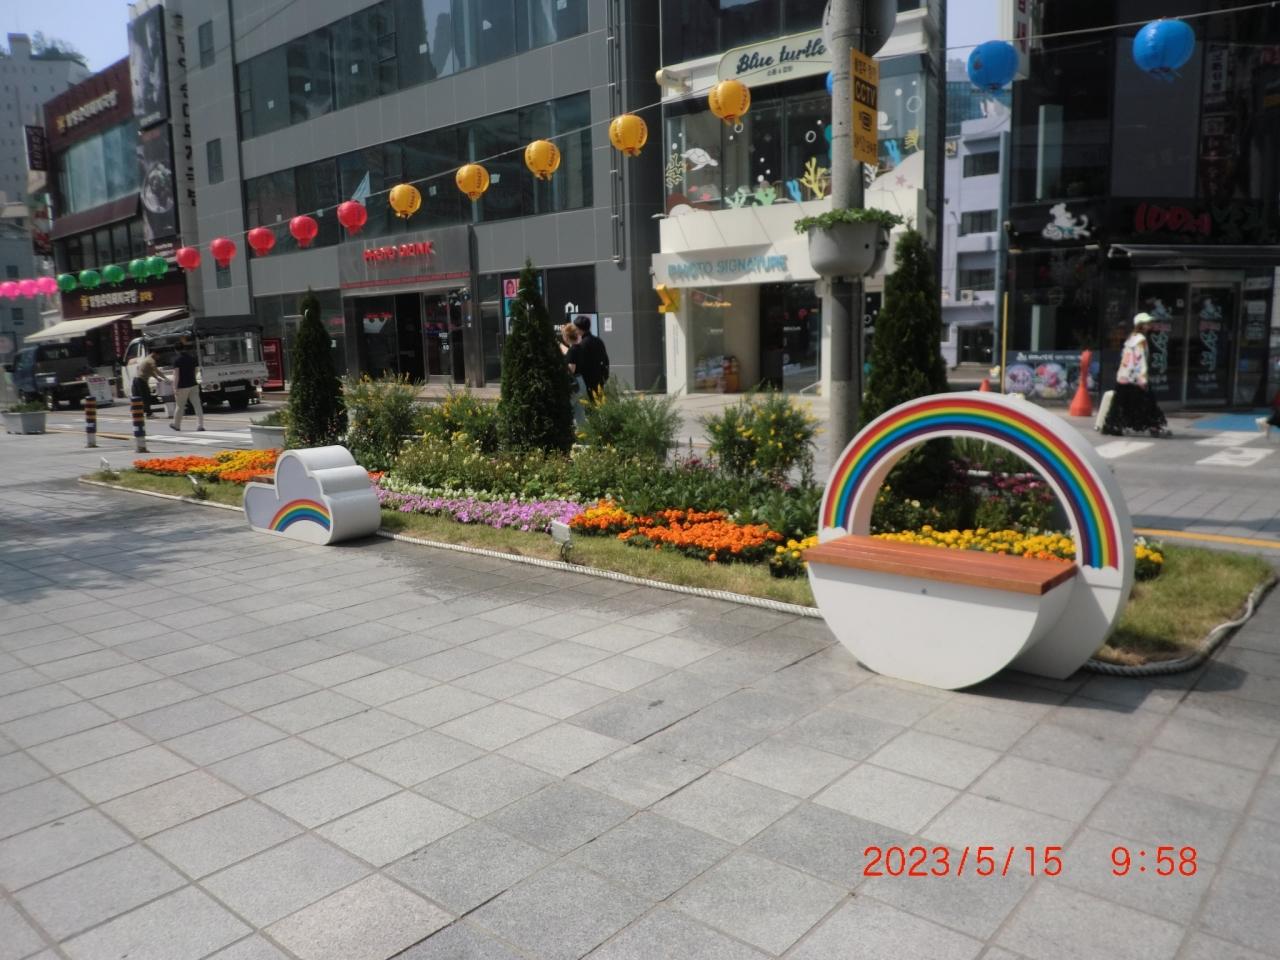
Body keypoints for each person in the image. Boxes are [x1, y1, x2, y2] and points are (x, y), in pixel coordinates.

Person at [1102, 312, 1170, 438]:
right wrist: (1142, 378)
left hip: (1124, 377)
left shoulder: (1131, 338)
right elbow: (1140, 359)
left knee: (1122, 403)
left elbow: (1125, 358)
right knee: (1148, 403)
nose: (1150, 325)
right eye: (1147, 323)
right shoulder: (1141, 340)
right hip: (1136, 378)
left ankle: (1115, 426)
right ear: (1141, 325)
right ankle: (1155, 427)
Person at [566, 315, 610, 398]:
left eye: (575, 328)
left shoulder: (582, 344)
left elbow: (577, 366)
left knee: (589, 404)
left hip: (586, 383)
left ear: (579, 329)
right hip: (600, 380)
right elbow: (606, 360)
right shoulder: (598, 341)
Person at [170, 339, 205, 432]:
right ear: (184, 348)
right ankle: (200, 426)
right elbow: (196, 370)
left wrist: (174, 387)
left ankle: (176, 425)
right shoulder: (192, 358)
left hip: (182, 386)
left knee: (180, 406)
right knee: (197, 405)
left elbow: (176, 375)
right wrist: (192, 377)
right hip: (193, 384)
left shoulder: (176, 360)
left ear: (176, 350)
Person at [132, 353, 167, 418]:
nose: (158, 358)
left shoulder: (146, 359)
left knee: (137, 397)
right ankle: (149, 414)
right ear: (155, 354)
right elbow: (156, 370)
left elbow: (150, 371)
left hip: (136, 380)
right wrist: (165, 378)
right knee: (146, 397)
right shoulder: (151, 360)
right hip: (141, 380)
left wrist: (157, 378)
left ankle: (136, 413)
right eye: (158, 356)